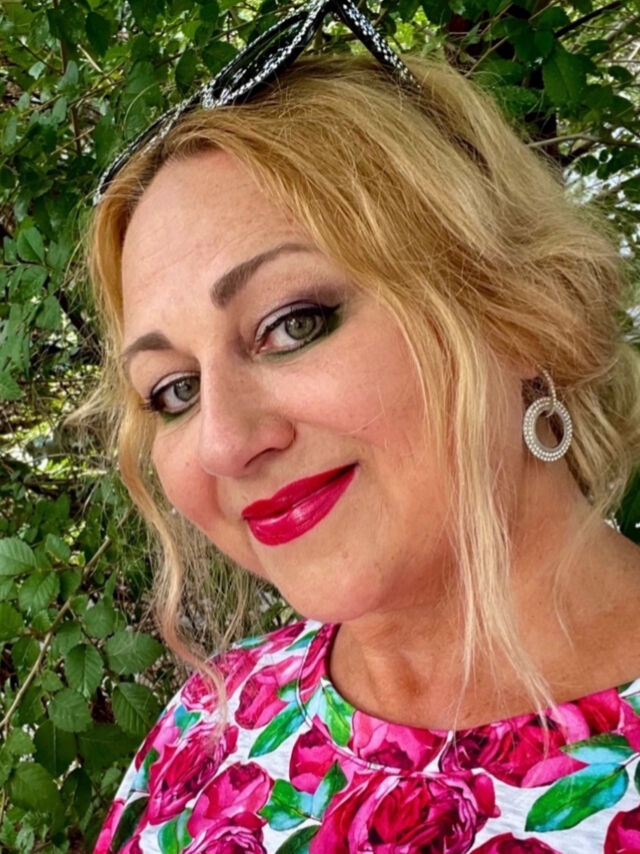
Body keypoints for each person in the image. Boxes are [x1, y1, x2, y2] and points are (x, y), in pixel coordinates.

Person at [88, 1, 640, 850]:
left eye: (293, 324)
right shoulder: (209, 728)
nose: (225, 443)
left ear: (520, 310)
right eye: (174, 391)